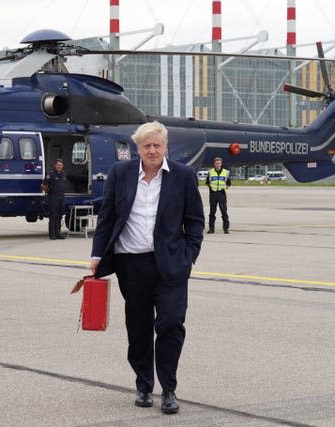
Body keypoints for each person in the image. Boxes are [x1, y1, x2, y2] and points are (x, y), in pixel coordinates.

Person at [89, 121, 204, 415]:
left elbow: (194, 222)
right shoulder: (121, 172)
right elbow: (107, 217)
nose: (152, 150)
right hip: (132, 264)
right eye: (146, 146)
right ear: (137, 148)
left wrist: (189, 256)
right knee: (138, 327)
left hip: (171, 265)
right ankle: (143, 384)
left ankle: (168, 389)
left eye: (157, 145)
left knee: (170, 323)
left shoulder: (183, 176)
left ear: (165, 147)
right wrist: (96, 256)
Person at [205, 156, 231, 234]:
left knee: (224, 211)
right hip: (213, 194)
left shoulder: (226, 172)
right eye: (216, 163)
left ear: (221, 163)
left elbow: (229, 183)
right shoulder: (210, 172)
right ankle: (211, 229)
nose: (217, 165)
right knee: (212, 212)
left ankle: (226, 228)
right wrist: (212, 189)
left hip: (221, 194)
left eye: (219, 163)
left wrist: (223, 188)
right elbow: (207, 183)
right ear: (214, 164)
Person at [42, 158, 66, 240]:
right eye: (58, 165)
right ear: (55, 166)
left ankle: (58, 233)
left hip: (61, 197)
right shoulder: (50, 174)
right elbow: (43, 185)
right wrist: (48, 191)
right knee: (53, 216)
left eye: (61, 165)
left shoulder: (63, 174)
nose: (59, 166)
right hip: (53, 197)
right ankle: (52, 235)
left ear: (62, 166)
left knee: (59, 216)